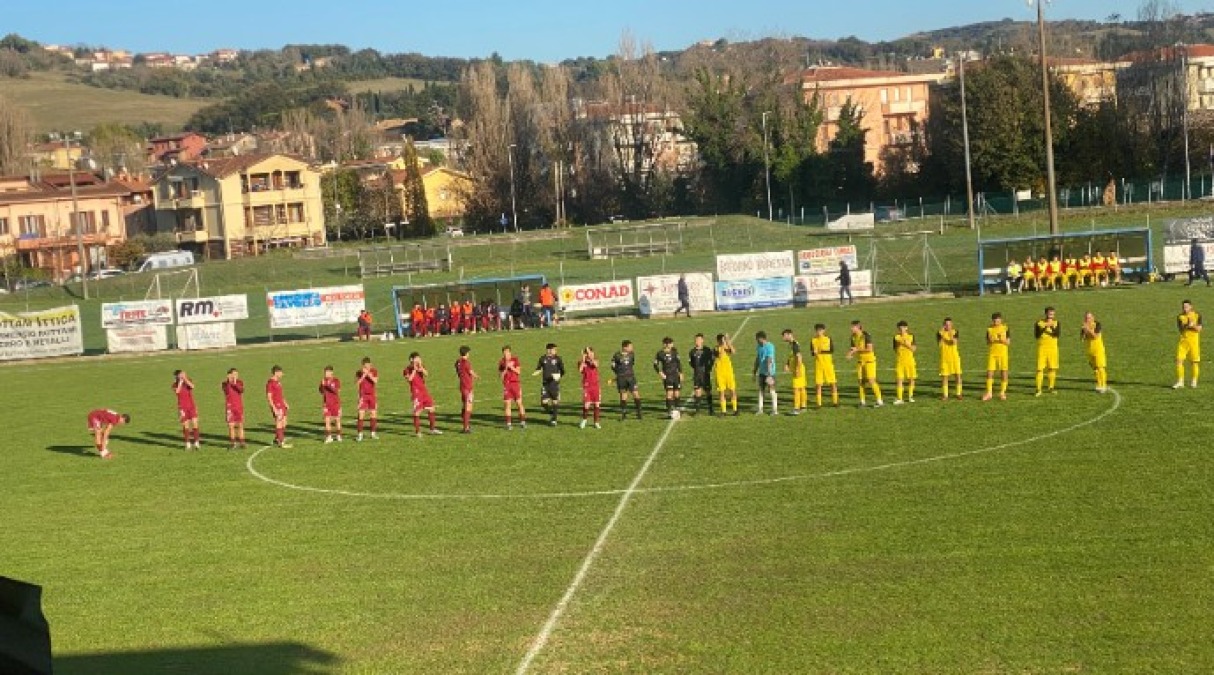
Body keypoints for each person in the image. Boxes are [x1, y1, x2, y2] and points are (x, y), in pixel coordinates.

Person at [846, 320, 883, 407]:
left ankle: (879, 401)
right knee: (861, 382)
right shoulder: (853, 337)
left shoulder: (866, 335)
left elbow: (870, 349)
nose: (851, 329)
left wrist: (857, 350)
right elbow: (853, 348)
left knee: (871, 380)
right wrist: (849, 354)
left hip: (869, 361)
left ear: (858, 327)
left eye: (853, 327)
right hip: (860, 362)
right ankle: (862, 401)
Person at [404, 352, 441, 436]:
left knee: (431, 409)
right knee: (417, 412)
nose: (418, 360)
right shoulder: (407, 369)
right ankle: (418, 432)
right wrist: (414, 370)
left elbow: (427, 374)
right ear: (411, 360)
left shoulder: (421, 366)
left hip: (424, 391)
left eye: (419, 358)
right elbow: (409, 379)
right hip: (416, 392)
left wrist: (421, 368)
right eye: (417, 358)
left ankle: (432, 429)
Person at [533, 343, 565, 425]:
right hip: (545, 384)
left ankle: (554, 420)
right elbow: (539, 368)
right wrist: (537, 372)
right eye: (554, 349)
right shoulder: (542, 358)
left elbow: (562, 371)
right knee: (543, 403)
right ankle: (552, 413)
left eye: (555, 349)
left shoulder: (558, 359)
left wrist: (558, 375)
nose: (555, 351)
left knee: (555, 401)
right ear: (549, 350)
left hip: (554, 384)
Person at [610, 340, 643, 420]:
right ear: (625, 347)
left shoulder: (632, 354)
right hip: (621, 379)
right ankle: (624, 414)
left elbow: (632, 363)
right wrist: (618, 373)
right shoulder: (617, 355)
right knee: (623, 395)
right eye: (630, 346)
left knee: (636, 394)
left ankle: (639, 413)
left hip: (631, 378)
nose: (632, 348)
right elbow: (613, 366)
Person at [1174, 299, 1203, 389]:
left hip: (1194, 342)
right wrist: (1187, 325)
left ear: (1191, 306)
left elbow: (1199, 329)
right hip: (1183, 342)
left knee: (1194, 362)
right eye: (1183, 307)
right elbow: (1181, 330)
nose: (1185, 308)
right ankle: (1180, 382)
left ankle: (1194, 381)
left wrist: (1193, 325)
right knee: (1179, 361)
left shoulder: (1197, 315)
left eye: (1186, 307)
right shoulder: (1180, 317)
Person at [983, 313, 1011, 401]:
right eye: (994, 320)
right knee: (989, 373)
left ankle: (1002, 393)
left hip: (1003, 353)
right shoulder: (989, 329)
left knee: (1004, 373)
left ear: (1001, 320)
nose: (996, 321)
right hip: (992, 354)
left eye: (998, 320)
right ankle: (989, 393)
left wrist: (1001, 340)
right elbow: (987, 342)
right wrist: (990, 341)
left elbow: (1008, 342)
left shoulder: (1005, 328)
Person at [810, 323, 839, 408]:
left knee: (833, 383)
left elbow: (831, 350)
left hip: (828, 364)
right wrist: (814, 352)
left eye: (821, 330)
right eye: (818, 330)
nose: (819, 332)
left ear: (824, 330)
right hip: (818, 365)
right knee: (818, 384)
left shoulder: (828, 339)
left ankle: (835, 402)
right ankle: (819, 403)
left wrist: (820, 351)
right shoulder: (813, 340)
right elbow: (812, 352)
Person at [653, 337, 683, 418]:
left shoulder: (675, 352)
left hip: (675, 375)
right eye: (670, 343)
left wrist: (681, 373)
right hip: (667, 376)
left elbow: (678, 363)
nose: (672, 345)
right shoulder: (660, 353)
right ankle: (669, 410)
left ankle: (677, 409)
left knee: (677, 393)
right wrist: (660, 372)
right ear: (666, 344)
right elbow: (655, 364)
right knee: (669, 393)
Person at [498, 345, 527, 430]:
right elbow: (500, 376)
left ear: (510, 352)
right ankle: (509, 423)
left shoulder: (515, 360)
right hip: (507, 385)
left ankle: (522, 421)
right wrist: (506, 369)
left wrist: (512, 367)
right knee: (507, 404)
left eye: (507, 352)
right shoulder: (502, 362)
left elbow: (518, 372)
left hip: (515, 384)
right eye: (504, 353)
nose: (506, 354)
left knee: (519, 403)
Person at [1034, 307, 1061, 396]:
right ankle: (1038, 389)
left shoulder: (1057, 323)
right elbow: (1037, 335)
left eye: (1052, 314)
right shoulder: (1039, 323)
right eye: (1050, 314)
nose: (1051, 316)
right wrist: (1045, 327)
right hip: (1042, 348)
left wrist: (1052, 327)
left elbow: (1057, 334)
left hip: (1053, 348)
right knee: (1039, 369)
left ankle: (1051, 387)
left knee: (1052, 368)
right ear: (1046, 314)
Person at [687, 333, 715, 416]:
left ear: (702, 340)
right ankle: (697, 410)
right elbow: (691, 363)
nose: (697, 341)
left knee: (708, 392)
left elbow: (712, 360)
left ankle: (711, 410)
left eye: (699, 340)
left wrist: (709, 368)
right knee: (697, 392)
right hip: (697, 374)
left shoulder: (707, 350)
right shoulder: (692, 351)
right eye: (696, 340)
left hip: (705, 374)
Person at [1080, 312, 1108, 394]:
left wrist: (1088, 330)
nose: (1087, 319)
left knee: (1100, 367)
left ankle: (1104, 385)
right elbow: (1082, 339)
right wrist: (1084, 331)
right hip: (1089, 350)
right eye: (1086, 318)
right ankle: (1099, 384)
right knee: (1095, 369)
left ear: (1093, 318)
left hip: (1098, 350)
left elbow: (1095, 336)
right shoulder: (1084, 327)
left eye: (1089, 318)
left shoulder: (1097, 325)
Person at [173, 369, 201, 450]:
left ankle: (196, 442)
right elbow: (177, 391)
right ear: (177, 376)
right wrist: (180, 383)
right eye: (181, 374)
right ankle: (187, 443)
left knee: (195, 423)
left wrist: (185, 379)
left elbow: (192, 386)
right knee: (186, 425)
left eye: (184, 374)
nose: (183, 375)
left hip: (191, 406)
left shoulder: (188, 381)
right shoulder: (175, 384)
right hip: (182, 407)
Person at [782, 329, 807, 414]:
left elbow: (799, 357)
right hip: (797, 368)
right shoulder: (791, 344)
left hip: (798, 368)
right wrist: (787, 364)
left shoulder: (794, 345)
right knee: (801, 388)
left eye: (784, 335)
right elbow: (791, 356)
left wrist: (797, 369)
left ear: (789, 335)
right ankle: (803, 406)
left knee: (796, 388)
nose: (783, 337)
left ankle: (796, 408)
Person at [937, 317, 963, 400]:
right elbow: (940, 344)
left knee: (957, 375)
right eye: (946, 324)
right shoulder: (939, 333)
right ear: (943, 325)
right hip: (945, 358)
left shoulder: (955, 332)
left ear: (952, 325)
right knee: (945, 377)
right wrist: (942, 334)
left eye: (949, 324)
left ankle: (958, 393)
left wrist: (950, 335)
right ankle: (945, 395)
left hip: (954, 357)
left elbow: (954, 342)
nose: (947, 326)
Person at [266, 365, 292, 448]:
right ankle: (281, 442)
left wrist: (285, 403)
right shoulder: (270, 383)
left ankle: (277, 439)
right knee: (279, 422)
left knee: (284, 423)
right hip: (277, 406)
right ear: (276, 372)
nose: (282, 374)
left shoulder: (278, 382)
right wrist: (273, 408)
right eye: (281, 373)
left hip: (281, 405)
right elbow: (269, 397)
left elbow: (280, 394)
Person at [753, 331, 778, 415]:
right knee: (761, 390)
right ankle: (760, 409)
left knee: (771, 390)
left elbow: (769, 360)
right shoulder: (759, 347)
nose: (756, 340)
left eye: (757, 339)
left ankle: (775, 410)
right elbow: (758, 358)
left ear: (761, 338)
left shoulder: (770, 346)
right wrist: (754, 371)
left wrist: (769, 374)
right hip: (762, 372)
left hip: (770, 373)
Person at [892, 321, 917, 404]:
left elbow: (914, 349)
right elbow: (895, 349)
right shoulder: (896, 337)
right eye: (900, 328)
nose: (901, 329)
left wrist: (907, 345)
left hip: (910, 361)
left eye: (903, 327)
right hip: (900, 361)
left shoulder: (911, 336)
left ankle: (910, 396)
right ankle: (900, 398)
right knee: (899, 379)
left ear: (906, 328)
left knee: (911, 379)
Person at [714, 333, 738, 416]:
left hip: (728, 372)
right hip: (720, 373)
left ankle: (735, 410)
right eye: (721, 340)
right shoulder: (716, 348)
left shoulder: (727, 347)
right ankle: (723, 411)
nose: (722, 341)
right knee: (721, 392)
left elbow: (733, 351)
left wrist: (728, 341)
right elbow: (718, 355)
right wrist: (723, 345)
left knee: (733, 390)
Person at [222, 368, 247, 449]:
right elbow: (227, 391)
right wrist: (230, 382)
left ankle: (242, 442)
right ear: (230, 375)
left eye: (237, 374)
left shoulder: (240, 382)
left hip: (239, 407)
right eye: (234, 374)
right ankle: (233, 443)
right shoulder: (225, 384)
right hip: (230, 407)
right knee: (231, 426)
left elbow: (241, 390)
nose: (236, 376)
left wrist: (235, 383)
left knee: (240, 425)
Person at [355, 357, 379, 441]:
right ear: (363, 366)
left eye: (369, 365)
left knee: (373, 414)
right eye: (365, 366)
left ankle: (373, 433)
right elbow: (357, 383)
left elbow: (375, 381)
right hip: (363, 396)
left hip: (372, 395)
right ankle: (360, 434)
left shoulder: (374, 371)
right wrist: (363, 375)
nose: (367, 367)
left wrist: (368, 374)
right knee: (361, 414)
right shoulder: (359, 373)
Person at [455, 345, 478, 434]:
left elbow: (458, 371)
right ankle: (466, 428)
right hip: (468, 386)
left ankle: (466, 424)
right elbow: (470, 372)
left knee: (465, 405)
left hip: (462, 385)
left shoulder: (457, 362)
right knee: (469, 406)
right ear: (467, 353)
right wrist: (476, 376)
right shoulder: (466, 362)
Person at [579, 346, 602, 429]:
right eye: (588, 353)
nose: (591, 354)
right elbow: (580, 370)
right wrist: (583, 359)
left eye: (591, 352)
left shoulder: (595, 360)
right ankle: (584, 420)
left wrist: (590, 358)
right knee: (586, 405)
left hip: (596, 386)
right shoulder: (582, 361)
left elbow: (596, 365)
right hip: (587, 386)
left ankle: (596, 422)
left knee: (597, 404)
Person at [318, 366, 343, 443]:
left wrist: (327, 385)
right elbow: (321, 392)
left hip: (335, 404)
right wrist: (322, 385)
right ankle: (329, 437)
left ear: (331, 372)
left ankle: (338, 435)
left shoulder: (336, 380)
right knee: (327, 420)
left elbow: (337, 391)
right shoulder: (323, 381)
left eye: (327, 372)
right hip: (326, 404)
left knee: (337, 420)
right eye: (325, 372)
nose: (325, 374)